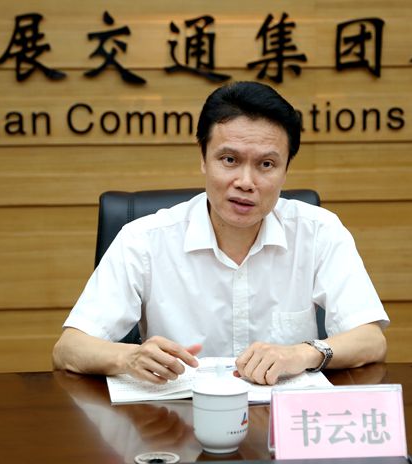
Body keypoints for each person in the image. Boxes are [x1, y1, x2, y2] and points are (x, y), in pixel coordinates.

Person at [52, 81, 389, 386]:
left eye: (266, 165)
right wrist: (129, 358)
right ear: (203, 158)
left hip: (280, 422)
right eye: (229, 160)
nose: (245, 182)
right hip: (175, 420)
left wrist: (302, 354)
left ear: (286, 170)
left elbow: (371, 340)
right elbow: (68, 349)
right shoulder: (143, 239)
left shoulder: (318, 231)